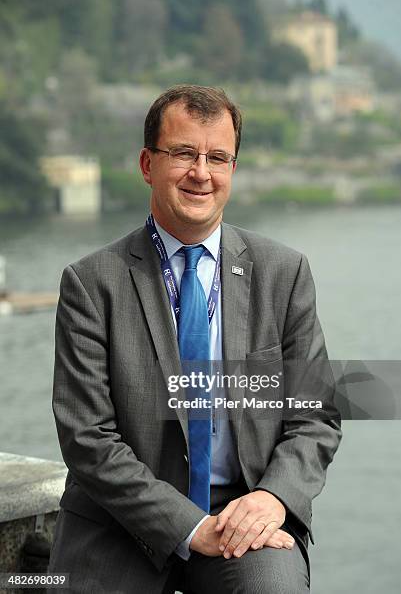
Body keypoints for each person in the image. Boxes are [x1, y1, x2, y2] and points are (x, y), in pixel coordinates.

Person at [48, 84, 342, 593]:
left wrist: (273, 498)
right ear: (147, 163)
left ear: (233, 168)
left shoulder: (284, 273)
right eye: (183, 153)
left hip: (242, 518)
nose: (201, 173)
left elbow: (313, 416)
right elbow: (88, 438)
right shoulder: (91, 284)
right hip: (119, 528)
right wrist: (188, 526)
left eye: (218, 157)